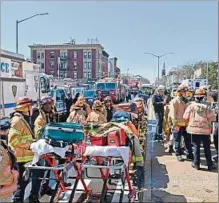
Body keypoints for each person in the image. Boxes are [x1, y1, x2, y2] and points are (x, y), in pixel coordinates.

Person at [8, 97, 41, 203]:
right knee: (21, 183)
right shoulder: (17, 120)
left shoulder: (23, 119)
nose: (32, 109)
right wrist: (30, 145)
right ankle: (17, 200)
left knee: (27, 180)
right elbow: (13, 140)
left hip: (26, 156)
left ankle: (31, 197)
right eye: (30, 107)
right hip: (20, 157)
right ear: (26, 107)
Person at [183, 88, 216, 171]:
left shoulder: (191, 106)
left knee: (196, 147)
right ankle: (210, 165)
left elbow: (185, 117)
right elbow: (212, 117)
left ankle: (196, 164)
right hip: (206, 130)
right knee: (207, 148)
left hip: (194, 130)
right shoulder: (208, 107)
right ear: (203, 97)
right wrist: (205, 120)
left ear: (195, 97)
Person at [34, 96, 57, 197]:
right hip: (43, 147)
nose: (48, 106)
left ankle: (45, 188)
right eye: (46, 105)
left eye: (50, 104)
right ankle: (38, 192)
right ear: (42, 106)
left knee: (48, 169)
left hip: (49, 146)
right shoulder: (40, 119)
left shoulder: (50, 115)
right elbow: (39, 134)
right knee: (42, 171)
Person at [169, 85, 193, 162]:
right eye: (184, 91)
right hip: (178, 124)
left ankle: (189, 154)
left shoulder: (186, 101)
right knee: (177, 140)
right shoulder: (175, 101)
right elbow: (173, 115)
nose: (186, 93)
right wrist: (175, 125)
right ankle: (178, 153)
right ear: (180, 92)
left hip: (186, 124)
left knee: (187, 140)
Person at [0, 116, 19, 202]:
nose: (7, 133)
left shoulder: (3, 144)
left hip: (6, 186)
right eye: (4, 130)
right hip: (3, 186)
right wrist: (12, 174)